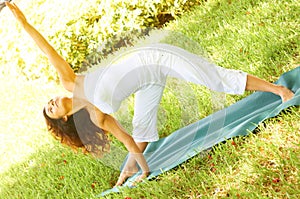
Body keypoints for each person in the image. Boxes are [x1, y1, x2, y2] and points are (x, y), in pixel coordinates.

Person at [6, 2, 294, 186]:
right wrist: (135, 171)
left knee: (214, 80)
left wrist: (23, 22)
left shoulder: (71, 83)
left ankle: (278, 90)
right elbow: (131, 140)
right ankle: (127, 173)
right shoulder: (97, 116)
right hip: (148, 82)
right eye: (51, 110)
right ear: (66, 118)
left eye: (49, 102)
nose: (51, 103)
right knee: (143, 130)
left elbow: (47, 50)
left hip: (154, 58)